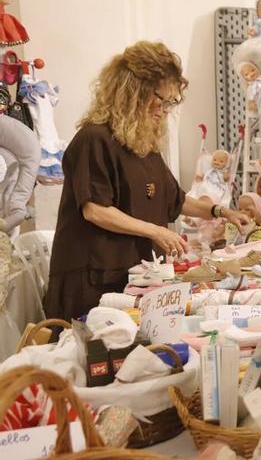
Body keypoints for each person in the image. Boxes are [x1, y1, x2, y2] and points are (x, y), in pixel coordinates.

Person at [45, 41, 250, 322]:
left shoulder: (143, 146)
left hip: (129, 276)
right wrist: (156, 231)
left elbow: (174, 200)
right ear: (132, 90)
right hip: (93, 279)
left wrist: (221, 211)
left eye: (171, 102)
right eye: (161, 99)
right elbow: (95, 210)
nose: (165, 109)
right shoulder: (94, 139)